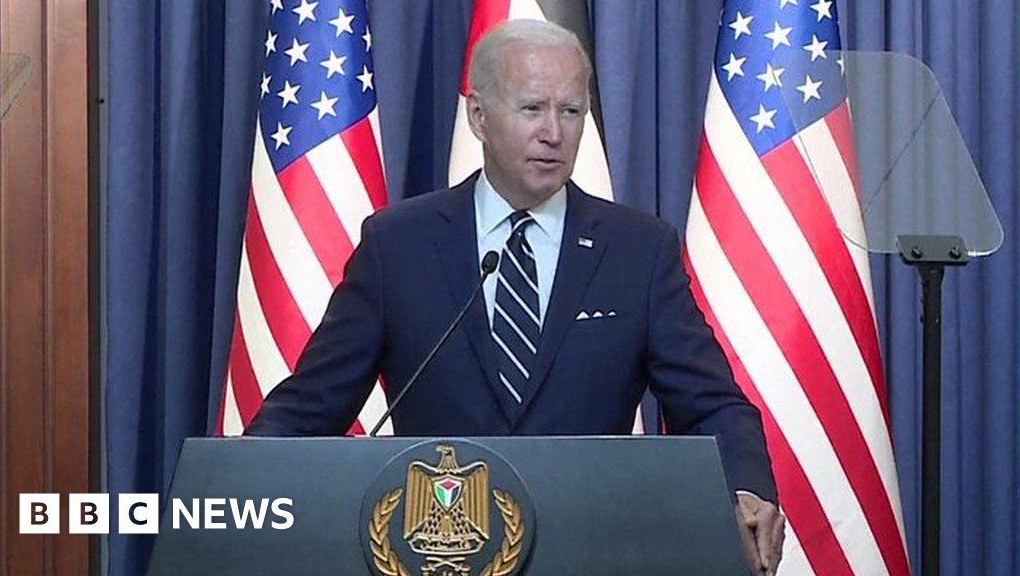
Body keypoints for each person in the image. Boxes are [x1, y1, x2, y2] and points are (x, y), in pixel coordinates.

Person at [246, 19, 785, 575]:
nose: (554, 132)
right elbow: (310, 406)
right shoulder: (399, 245)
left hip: (591, 554)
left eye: (570, 111)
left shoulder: (637, 251)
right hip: (436, 553)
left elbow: (712, 404)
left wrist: (745, 487)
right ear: (479, 116)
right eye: (532, 109)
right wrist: (238, 489)